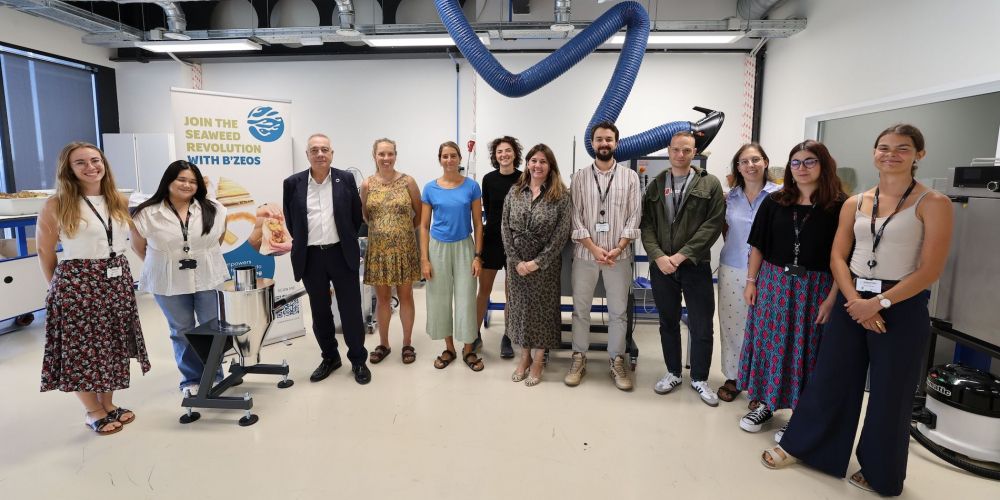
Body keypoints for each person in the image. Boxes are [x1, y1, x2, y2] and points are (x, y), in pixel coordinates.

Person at [761, 125, 953, 497]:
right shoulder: (857, 202)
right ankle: (807, 448)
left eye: (902, 148)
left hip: (900, 303)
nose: (891, 154)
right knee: (830, 379)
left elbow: (930, 269)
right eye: (883, 147)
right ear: (874, 153)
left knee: (890, 393)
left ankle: (881, 472)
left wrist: (878, 303)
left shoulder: (933, 203)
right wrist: (853, 301)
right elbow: (838, 256)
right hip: (853, 298)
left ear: (919, 154)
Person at [37, 142, 150, 435]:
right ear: (68, 169)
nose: (91, 167)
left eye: (95, 160)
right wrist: (57, 291)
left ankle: (108, 404)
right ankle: (92, 410)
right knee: (82, 350)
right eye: (81, 162)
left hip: (116, 279)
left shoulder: (118, 199)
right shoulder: (56, 204)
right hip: (77, 282)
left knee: (112, 343)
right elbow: (45, 251)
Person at [737, 140, 844, 438]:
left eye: (810, 161)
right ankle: (767, 403)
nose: (801, 168)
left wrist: (832, 298)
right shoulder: (775, 201)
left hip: (816, 288)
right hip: (773, 284)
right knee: (770, 345)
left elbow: (844, 258)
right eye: (796, 162)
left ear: (824, 165)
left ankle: (801, 414)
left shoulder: (839, 206)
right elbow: (758, 245)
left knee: (806, 350)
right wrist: (751, 282)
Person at [640, 130, 725, 406]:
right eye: (676, 149)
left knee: (702, 324)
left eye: (686, 150)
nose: (680, 154)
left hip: (695, 265)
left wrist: (681, 256)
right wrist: (658, 256)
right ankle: (673, 372)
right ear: (668, 150)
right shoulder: (656, 184)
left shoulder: (709, 184)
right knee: (668, 322)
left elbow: (712, 225)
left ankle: (700, 378)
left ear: (694, 152)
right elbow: (646, 225)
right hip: (662, 267)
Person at [131, 161, 229, 395]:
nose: (187, 185)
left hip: (207, 275)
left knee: (211, 327)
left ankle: (214, 375)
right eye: (181, 179)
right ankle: (191, 379)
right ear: (168, 181)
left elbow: (217, 240)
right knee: (181, 330)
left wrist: (200, 256)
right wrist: (166, 263)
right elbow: (138, 247)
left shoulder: (214, 209)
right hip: (167, 280)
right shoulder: (147, 212)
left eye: (193, 181)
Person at [282, 133, 370, 385]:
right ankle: (330, 357)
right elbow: (291, 220)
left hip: (341, 253)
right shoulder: (293, 183)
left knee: (351, 310)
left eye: (324, 149)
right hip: (310, 257)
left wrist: (344, 239)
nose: (320, 154)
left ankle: (358, 360)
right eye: (314, 150)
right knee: (320, 312)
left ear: (332, 153)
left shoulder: (346, 179)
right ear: (307, 154)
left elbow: (355, 217)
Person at [566, 121, 640, 391]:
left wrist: (618, 248)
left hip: (618, 256)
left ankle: (616, 360)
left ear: (616, 143)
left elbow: (635, 215)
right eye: (599, 139)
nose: (604, 143)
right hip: (586, 254)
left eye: (609, 139)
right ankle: (578, 357)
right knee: (580, 310)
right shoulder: (579, 177)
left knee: (618, 312)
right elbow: (574, 216)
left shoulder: (630, 177)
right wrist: (594, 248)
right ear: (593, 144)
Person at [502, 144, 573, 386]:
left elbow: (561, 235)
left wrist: (536, 263)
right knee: (521, 310)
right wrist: (516, 261)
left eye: (543, 161)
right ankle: (524, 357)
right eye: (533, 160)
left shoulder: (561, 196)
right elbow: (505, 228)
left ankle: (539, 360)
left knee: (543, 311)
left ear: (550, 166)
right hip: (517, 266)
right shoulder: (515, 191)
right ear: (527, 164)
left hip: (545, 266)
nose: (537, 165)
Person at [716, 143, 780, 403]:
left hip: (769, 271)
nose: (750, 165)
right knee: (732, 325)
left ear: (765, 162)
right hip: (732, 266)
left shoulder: (780, 196)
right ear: (738, 167)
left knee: (764, 328)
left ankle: (760, 384)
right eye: (744, 161)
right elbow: (725, 229)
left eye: (755, 160)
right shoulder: (729, 198)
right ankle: (734, 376)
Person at [420, 141, 485, 372]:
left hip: (464, 247)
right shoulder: (430, 188)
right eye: (445, 156)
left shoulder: (471, 187)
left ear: (459, 158)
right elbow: (424, 226)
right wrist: (424, 259)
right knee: (439, 298)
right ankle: (449, 348)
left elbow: (478, 223)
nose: (449, 160)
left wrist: (477, 256)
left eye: (453, 156)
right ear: (440, 159)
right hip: (437, 248)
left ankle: (468, 348)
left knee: (466, 298)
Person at [360, 138, 421, 365]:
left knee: (406, 296)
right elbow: (366, 215)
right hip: (378, 251)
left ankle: (407, 343)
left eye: (390, 154)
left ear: (395, 155)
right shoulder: (367, 184)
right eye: (381, 154)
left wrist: (400, 232)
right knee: (383, 298)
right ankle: (384, 343)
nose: (386, 158)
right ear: (374, 156)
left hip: (404, 249)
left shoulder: (408, 182)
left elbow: (419, 214)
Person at [475, 136, 523, 359]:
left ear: (515, 153)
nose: (504, 154)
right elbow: (487, 208)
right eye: (499, 151)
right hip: (492, 239)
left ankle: (508, 336)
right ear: (495, 156)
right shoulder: (488, 179)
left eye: (508, 150)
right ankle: (474, 334)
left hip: (516, 241)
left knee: (511, 293)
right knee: (483, 290)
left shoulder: (524, 178)